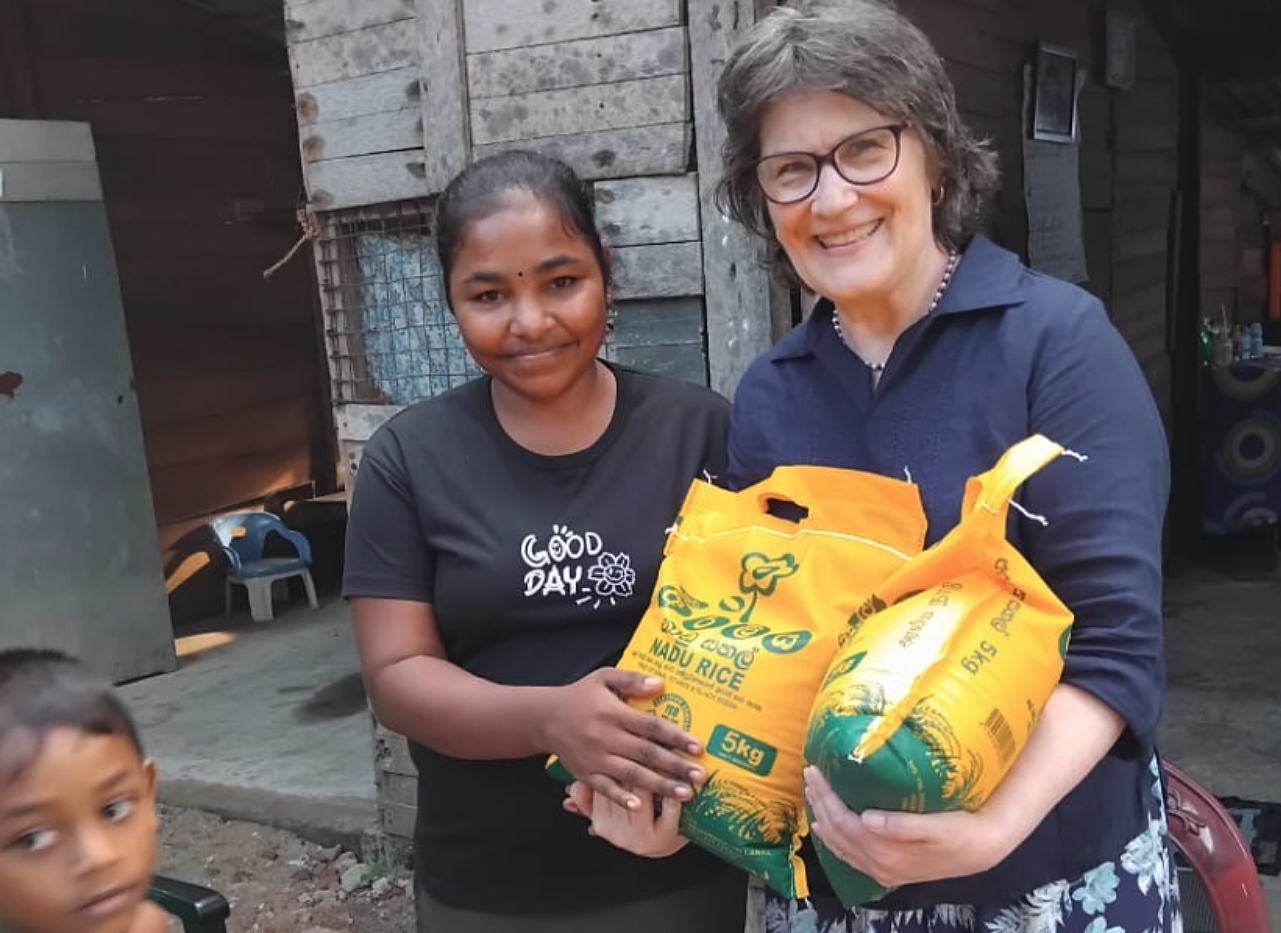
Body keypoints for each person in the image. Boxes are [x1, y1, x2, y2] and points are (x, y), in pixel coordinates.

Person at [710, 1, 1182, 931]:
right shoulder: (770, 393)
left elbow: (1117, 647)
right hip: (839, 892)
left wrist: (994, 827)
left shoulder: (1057, 344)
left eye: (865, 149)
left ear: (933, 154)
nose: (831, 200)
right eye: (792, 169)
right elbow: (766, 643)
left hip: (1045, 877)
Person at [342, 149, 747, 931]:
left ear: (606, 277)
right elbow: (396, 675)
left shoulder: (697, 429)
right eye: (489, 294)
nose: (529, 321)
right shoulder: (409, 458)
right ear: (451, 301)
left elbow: (758, 631)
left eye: (561, 282)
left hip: (675, 859)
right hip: (489, 881)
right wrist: (550, 718)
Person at [0, 648, 165, 933]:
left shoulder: (146, 925)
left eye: (113, 810)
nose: (98, 857)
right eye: (32, 839)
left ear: (148, 792)